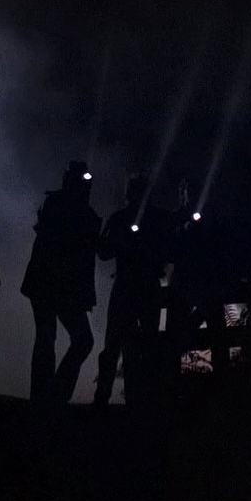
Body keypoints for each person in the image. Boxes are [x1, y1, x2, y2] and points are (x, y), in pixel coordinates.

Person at [21, 161, 101, 405]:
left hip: (50, 284)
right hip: (53, 284)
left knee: (54, 338)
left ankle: (48, 396)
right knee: (60, 339)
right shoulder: (64, 208)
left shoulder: (60, 206)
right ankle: (50, 397)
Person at [92, 175, 174, 408]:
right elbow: (104, 251)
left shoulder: (122, 218)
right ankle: (137, 398)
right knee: (134, 343)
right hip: (140, 286)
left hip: (130, 285)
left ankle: (117, 397)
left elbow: (103, 251)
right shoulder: (153, 218)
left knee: (121, 343)